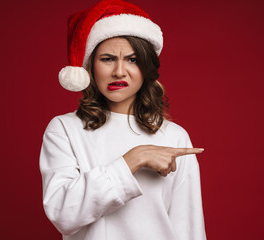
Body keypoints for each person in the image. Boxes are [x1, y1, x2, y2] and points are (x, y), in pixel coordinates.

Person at [39, 0, 207, 239]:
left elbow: (188, 229)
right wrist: (133, 160)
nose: (119, 71)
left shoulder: (174, 136)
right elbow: (63, 213)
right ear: (90, 67)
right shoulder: (65, 129)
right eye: (107, 59)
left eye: (132, 59)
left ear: (146, 68)